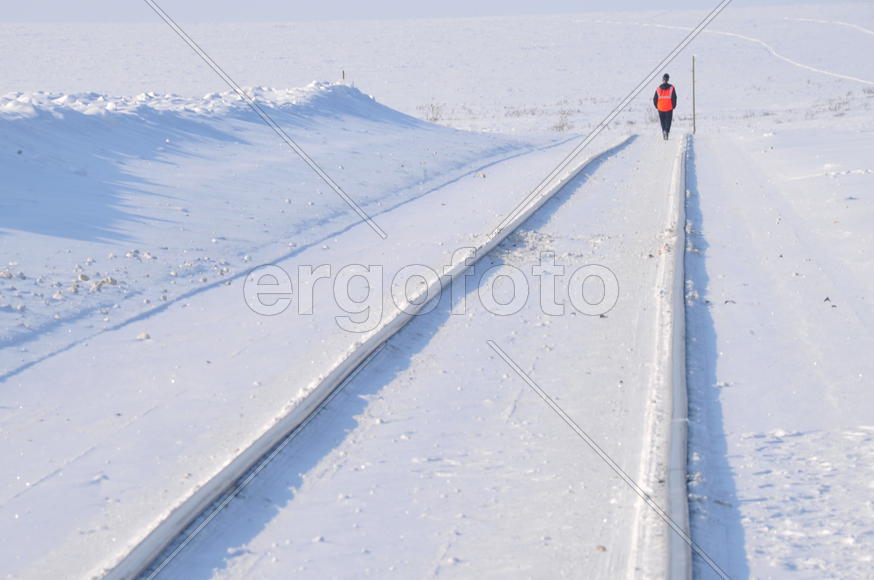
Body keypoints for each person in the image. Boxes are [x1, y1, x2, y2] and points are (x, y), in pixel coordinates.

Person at [653, 73, 677, 140]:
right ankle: (667, 131)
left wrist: (657, 106)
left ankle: (664, 131)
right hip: (669, 107)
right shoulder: (672, 88)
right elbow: (674, 98)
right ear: (668, 79)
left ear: (663, 79)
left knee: (662, 121)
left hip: (660, 107)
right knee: (668, 121)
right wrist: (673, 106)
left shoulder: (658, 88)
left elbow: (655, 98)